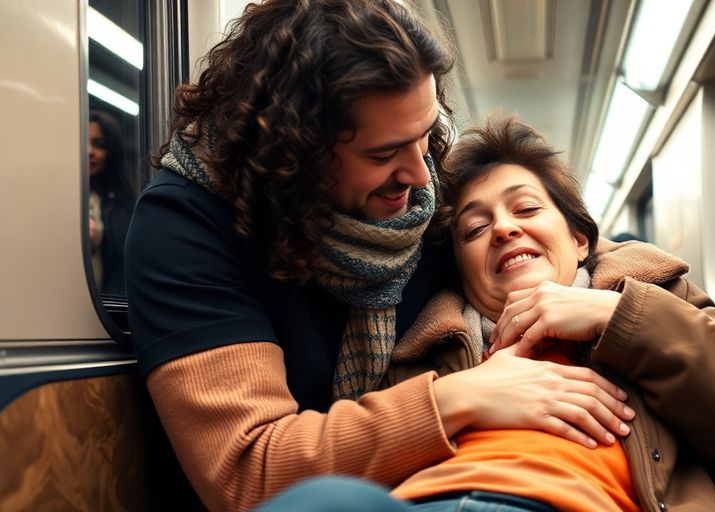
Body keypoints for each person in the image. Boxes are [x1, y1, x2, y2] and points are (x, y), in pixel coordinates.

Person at [124, 2, 633, 511]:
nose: (419, 174)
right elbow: (250, 469)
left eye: (425, 134)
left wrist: (626, 313)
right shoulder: (187, 227)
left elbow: (560, 250)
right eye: (383, 154)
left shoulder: (424, 200)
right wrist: (460, 397)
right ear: (296, 152)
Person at [259, 116, 715, 512]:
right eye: (475, 227)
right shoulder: (421, 351)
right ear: (460, 270)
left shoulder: (658, 303)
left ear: (582, 239)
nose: (504, 227)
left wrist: (620, 319)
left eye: (526, 208)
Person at [88, 110, 135, 294]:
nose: (89, 151)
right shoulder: (57, 197)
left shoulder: (124, 205)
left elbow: (122, 268)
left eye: (99, 144)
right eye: (83, 142)